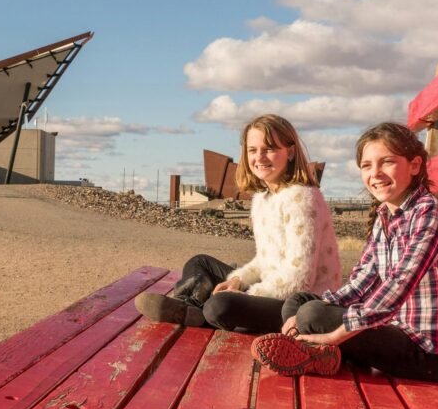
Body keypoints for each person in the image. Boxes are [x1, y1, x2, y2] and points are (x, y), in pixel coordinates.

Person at [251, 121, 438, 382]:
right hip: (392, 330)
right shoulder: (384, 215)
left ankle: (320, 348)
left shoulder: (428, 212)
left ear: (414, 165)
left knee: (313, 314)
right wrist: (319, 306)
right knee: (300, 303)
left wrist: (335, 333)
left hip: (428, 351)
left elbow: (399, 286)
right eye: (367, 166)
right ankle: (317, 353)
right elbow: (360, 283)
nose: (375, 173)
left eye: (386, 162)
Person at [136, 114, 339, 334]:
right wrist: (238, 280)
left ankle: (198, 308)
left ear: (290, 152)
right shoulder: (263, 198)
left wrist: (247, 295)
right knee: (200, 263)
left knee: (221, 306)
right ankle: (190, 306)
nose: (259, 157)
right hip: (272, 287)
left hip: (299, 305)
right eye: (253, 150)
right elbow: (265, 261)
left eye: (269, 148)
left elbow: (299, 280)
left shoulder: (302, 198)